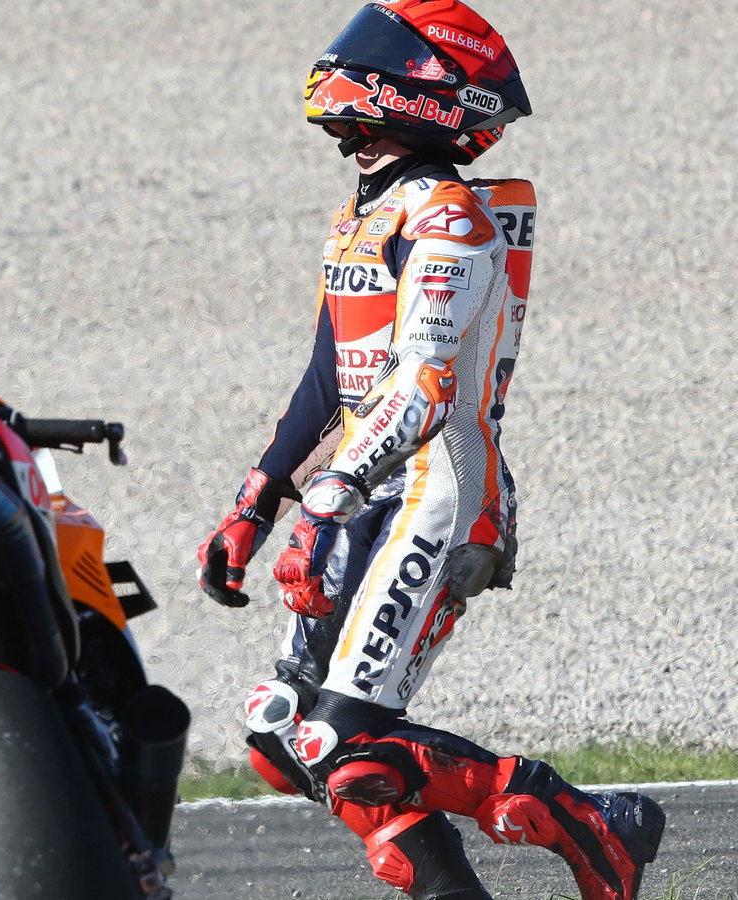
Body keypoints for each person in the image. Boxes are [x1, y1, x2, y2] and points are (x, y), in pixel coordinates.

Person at [194, 3, 663, 898]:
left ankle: (589, 823)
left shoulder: (450, 221)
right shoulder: (363, 213)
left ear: (423, 94)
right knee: (283, 738)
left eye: (366, 94)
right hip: (362, 490)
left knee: (344, 743)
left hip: (439, 496)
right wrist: (254, 503)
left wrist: (323, 507)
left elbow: (421, 388)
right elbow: (329, 378)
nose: (345, 117)